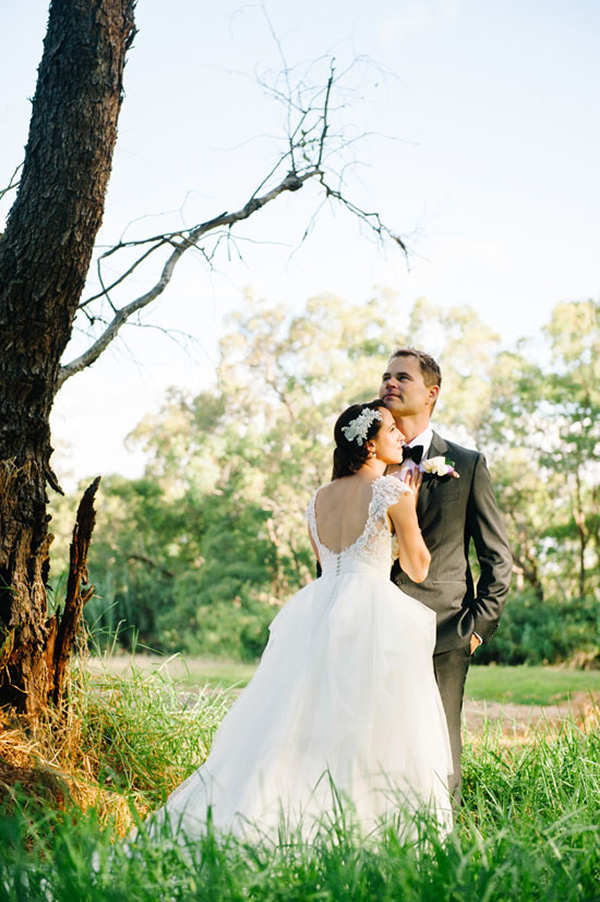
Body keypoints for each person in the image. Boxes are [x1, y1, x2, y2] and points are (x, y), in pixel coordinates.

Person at [142, 401, 453, 843]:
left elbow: (329, 562)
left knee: (302, 721)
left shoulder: (318, 500)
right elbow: (419, 568)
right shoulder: (393, 491)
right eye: (390, 431)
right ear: (369, 444)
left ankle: (283, 813)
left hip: (320, 609)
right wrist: (411, 505)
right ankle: (359, 827)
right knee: (372, 722)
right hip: (371, 611)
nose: (400, 437)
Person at [379, 349, 512, 801]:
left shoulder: (467, 463)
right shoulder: (368, 462)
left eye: (402, 377)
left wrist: (476, 628)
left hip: (445, 629)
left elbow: (497, 557)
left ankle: (442, 846)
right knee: (374, 737)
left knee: (440, 744)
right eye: (385, 377)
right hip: (373, 623)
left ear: (431, 393)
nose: (389, 384)